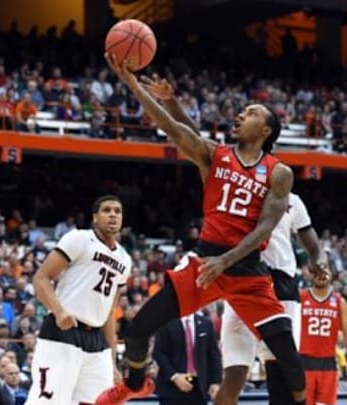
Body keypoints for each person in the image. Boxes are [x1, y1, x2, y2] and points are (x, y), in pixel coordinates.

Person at [97, 54, 305, 405]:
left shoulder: (279, 173)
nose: (241, 115)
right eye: (242, 111)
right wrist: (135, 87)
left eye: (251, 113)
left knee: (289, 359)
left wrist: (226, 261)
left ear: (266, 130)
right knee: (137, 331)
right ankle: (134, 384)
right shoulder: (215, 155)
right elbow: (176, 129)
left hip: (248, 272)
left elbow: (266, 226)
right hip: (205, 263)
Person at [218, 192, 328, 405]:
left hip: (280, 285)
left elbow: (314, 247)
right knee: (234, 374)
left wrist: (320, 262)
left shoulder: (292, 199)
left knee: (281, 373)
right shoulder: (237, 190)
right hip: (242, 280)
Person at [24, 195, 132, 405]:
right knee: (47, 401)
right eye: (107, 210)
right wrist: (59, 311)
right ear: (94, 217)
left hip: (97, 342)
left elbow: (109, 313)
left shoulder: (125, 259)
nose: (113, 215)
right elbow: (41, 278)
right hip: (63, 332)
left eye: (117, 212)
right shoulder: (80, 239)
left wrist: (111, 360)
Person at [301, 268, 347, 404]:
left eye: (325, 272)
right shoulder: (301, 297)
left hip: (328, 362)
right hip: (303, 360)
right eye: (318, 272)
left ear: (331, 275)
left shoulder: (339, 302)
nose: (322, 276)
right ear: (312, 275)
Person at [153, 313, 221, 405]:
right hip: (171, 387)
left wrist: (215, 382)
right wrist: (174, 376)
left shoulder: (206, 323)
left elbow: (213, 354)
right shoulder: (166, 322)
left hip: (199, 387)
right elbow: (159, 353)